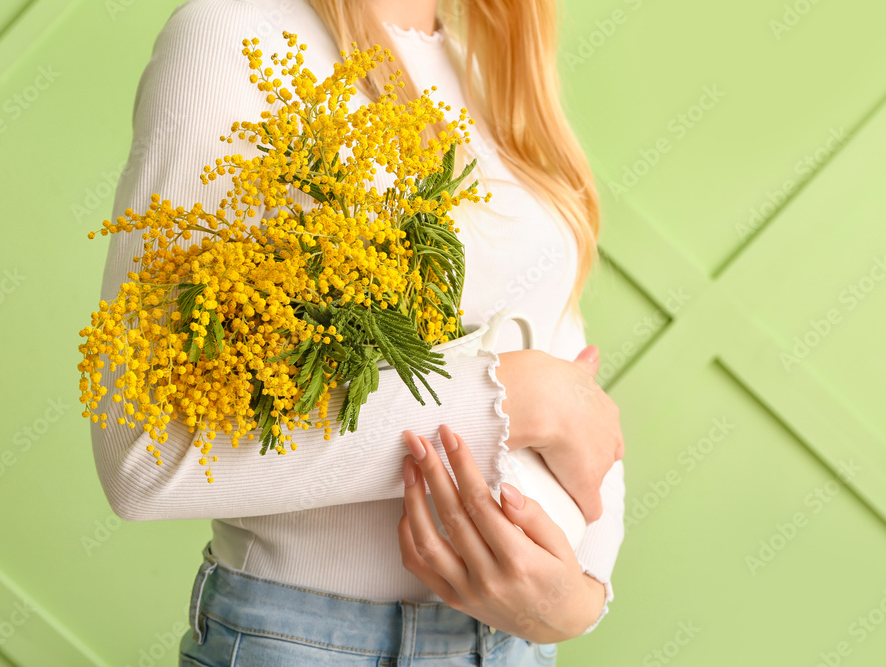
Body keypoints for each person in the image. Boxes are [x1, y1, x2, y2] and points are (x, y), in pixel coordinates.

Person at [89, 0, 626, 664]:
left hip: (512, 648)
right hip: (308, 642)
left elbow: (582, 404)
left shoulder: (485, 70)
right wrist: (519, 400)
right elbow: (145, 456)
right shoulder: (231, 35)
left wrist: (577, 599)